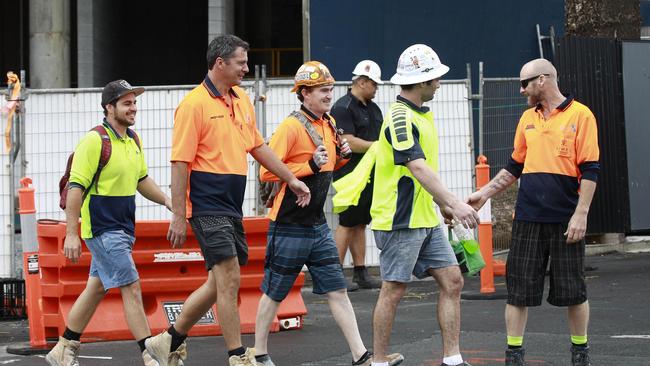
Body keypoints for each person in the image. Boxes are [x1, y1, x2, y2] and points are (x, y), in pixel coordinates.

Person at [145, 35, 311, 366]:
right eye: (241, 63)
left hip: (230, 205)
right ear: (220, 63)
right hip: (207, 204)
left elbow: (258, 147)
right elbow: (180, 162)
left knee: (217, 282)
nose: (246, 69)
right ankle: (237, 355)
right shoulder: (193, 105)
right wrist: (179, 215)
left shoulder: (241, 99)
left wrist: (291, 178)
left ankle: (167, 341)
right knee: (230, 276)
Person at [253, 61, 403, 366]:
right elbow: (266, 173)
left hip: (317, 225)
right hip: (288, 223)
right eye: (323, 90)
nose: (329, 94)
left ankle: (360, 355)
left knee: (337, 290)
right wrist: (306, 166)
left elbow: (329, 166)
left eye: (330, 88)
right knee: (274, 292)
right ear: (305, 93)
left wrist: (343, 159)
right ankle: (258, 353)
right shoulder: (292, 126)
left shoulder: (329, 123)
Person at [466, 58, 599, 366]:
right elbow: (515, 166)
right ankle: (514, 354)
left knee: (574, 290)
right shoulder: (527, 118)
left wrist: (581, 214)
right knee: (518, 290)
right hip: (527, 217)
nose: (521, 89)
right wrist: (483, 194)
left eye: (524, 83)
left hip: (566, 218)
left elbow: (591, 169)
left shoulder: (581, 116)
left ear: (542, 80)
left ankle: (580, 352)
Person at [46, 80, 172, 366]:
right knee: (131, 285)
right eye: (127, 103)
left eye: (134, 103)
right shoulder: (94, 141)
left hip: (123, 227)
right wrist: (71, 234)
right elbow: (76, 187)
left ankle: (63, 349)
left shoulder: (133, 140)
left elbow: (142, 181)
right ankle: (150, 354)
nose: (133, 108)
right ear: (109, 107)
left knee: (97, 287)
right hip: (103, 228)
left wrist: (167, 201)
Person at [369, 44, 479, 366]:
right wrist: (455, 204)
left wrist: (440, 204)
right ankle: (377, 360)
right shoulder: (400, 118)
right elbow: (415, 167)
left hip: (424, 217)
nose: (440, 84)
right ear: (422, 82)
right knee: (393, 289)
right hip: (399, 220)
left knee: (453, 281)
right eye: (435, 78)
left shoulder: (420, 115)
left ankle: (453, 359)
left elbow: (422, 170)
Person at [331, 60, 384, 291]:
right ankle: (334, 274)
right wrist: (378, 147)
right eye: (374, 84)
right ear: (362, 82)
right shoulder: (342, 108)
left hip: (370, 173)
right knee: (347, 222)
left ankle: (361, 273)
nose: (376, 89)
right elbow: (347, 141)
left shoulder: (373, 108)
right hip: (350, 174)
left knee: (360, 222)